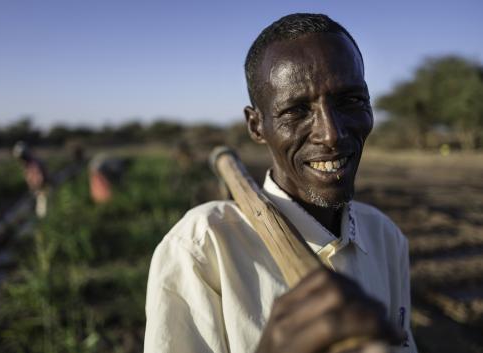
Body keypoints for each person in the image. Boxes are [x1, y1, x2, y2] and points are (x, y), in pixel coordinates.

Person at [144, 13, 418, 353]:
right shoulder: (201, 248)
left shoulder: (385, 237)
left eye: (350, 101)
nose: (331, 134)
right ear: (256, 126)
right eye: (296, 110)